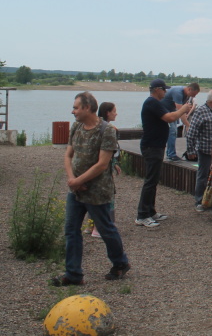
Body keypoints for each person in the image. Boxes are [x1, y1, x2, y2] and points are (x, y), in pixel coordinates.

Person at [52, 92, 129, 286]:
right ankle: (73, 274)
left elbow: (102, 164)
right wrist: (73, 179)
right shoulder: (76, 127)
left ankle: (120, 263)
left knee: (105, 229)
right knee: (71, 230)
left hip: (97, 192)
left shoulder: (107, 130)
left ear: (87, 108)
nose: (73, 111)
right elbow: (68, 155)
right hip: (76, 190)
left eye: (76, 107)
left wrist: (79, 180)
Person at [136, 79, 192, 227]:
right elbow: (170, 117)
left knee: (153, 181)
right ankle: (142, 215)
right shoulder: (152, 103)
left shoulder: (156, 104)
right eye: (164, 90)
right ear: (157, 89)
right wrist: (183, 109)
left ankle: (151, 211)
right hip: (152, 146)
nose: (166, 92)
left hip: (157, 146)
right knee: (150, 181)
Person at [187, 89, 212, 211]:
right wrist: (190, 150)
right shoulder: (200, 111)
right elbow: (191, 132)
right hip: (205, 150)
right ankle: (199, 201)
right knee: (202, 176)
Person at [91, 102, 122, 238]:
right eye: (114, 111)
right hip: (102, 166)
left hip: (94, 165)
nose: (116, 113)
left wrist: (114, 163)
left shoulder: (95, 125)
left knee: (92, 195)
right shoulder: (109, 128)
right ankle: (101, 228)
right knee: (106, 195)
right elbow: (109, 149)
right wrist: (113, 162)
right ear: (108, 112)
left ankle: (90, 226)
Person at [161, 82, 200, 161]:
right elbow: (181, 111)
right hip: (164, 111)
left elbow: (184, 110)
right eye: (194, 94)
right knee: (172, 132)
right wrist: (188, 125)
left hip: (172, 111)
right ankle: (171, 155)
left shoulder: (187, 95)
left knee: (173, 132)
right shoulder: (178, 92)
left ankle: (170, 153)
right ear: (189, 89)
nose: (194, 96)